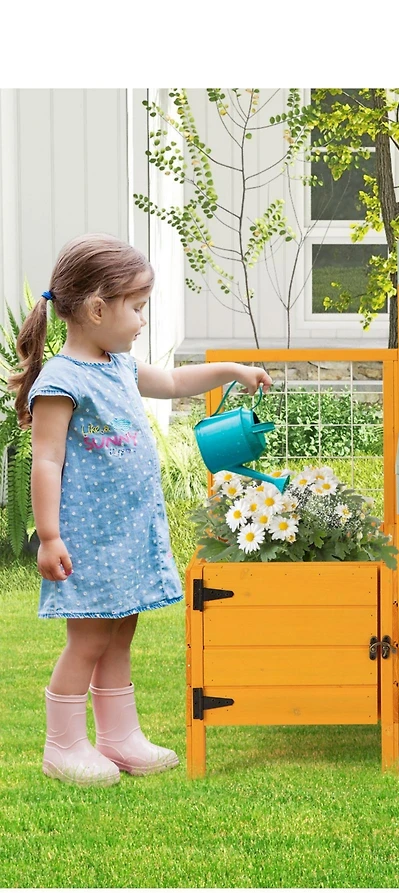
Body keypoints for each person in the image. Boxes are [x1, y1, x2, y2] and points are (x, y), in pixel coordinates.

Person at [9, 233, 271, 787]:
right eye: (137, 307)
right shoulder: (61, 380)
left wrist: (231, 369)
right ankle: (63, 745)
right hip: (88, 540)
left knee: (121, 633)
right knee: (88, 640)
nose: (142, 321)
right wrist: (49, 536)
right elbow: (47, 461)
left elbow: (173, 382)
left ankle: (119, 737)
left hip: (128, 533)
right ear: (97, 309)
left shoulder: (120, 366)